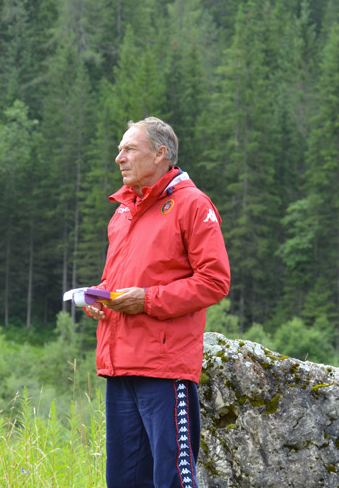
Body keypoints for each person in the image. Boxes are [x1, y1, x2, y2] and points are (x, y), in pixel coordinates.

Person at [84, 117, 230, 488]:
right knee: (124, 481)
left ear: (161, 154)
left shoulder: (192, 205)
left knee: (172, 480)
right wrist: (100, 296)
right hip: (119, 366)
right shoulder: (122, 212)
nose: (119, 158)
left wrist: (148, 300)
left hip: (165, 370)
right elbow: (124, 280)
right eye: (120, 150)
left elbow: (214, 281)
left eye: (129, 149)